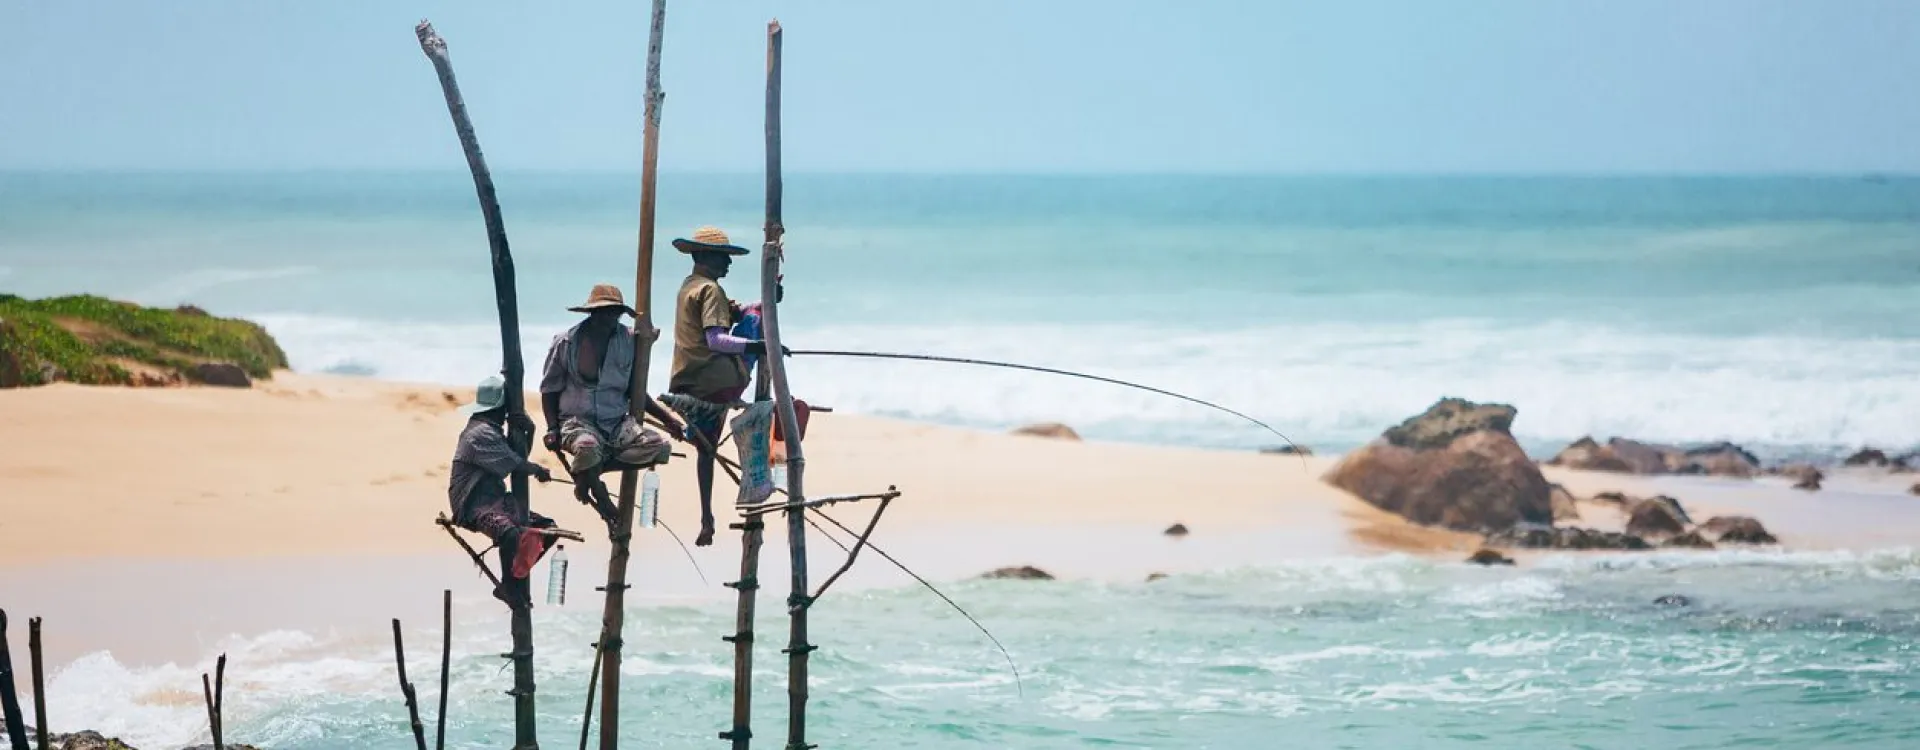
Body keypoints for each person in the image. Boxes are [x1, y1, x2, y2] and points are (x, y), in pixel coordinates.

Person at [665, 226, 783, 546]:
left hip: (687, 381)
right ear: (704, 256)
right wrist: (760, 347)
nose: (728, 265)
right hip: (717, 381)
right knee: (757, 323)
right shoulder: (710, 291)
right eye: (723, 258)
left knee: (706, 449)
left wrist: (766, 299)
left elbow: (741, 310)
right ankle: (750, 486)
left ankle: (707, 517)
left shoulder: (689, 287)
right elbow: (716, 339)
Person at [539, 283, 686, 522]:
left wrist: (669, 420)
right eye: (603, 312)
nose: (608, 318)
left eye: (613, 312)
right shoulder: (566, 343)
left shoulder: (628, 341)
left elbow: (637, 393)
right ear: (592, 313)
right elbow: (549, 389)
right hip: (578, 422)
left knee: (659, 447)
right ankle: (595, 481)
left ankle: (590, 472)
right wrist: (552, 429)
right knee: (587, 447)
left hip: (616, 424)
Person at [448, 374, 556, 608]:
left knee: (548, 529)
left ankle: (515, 576)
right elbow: (515, 463)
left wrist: (530, 431)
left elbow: (515, 458)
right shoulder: (480, 433)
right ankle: (509, 585)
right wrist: (537, 469)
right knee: (508, 533)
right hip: (472, 504)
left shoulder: (491, 430)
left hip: (496, 499)